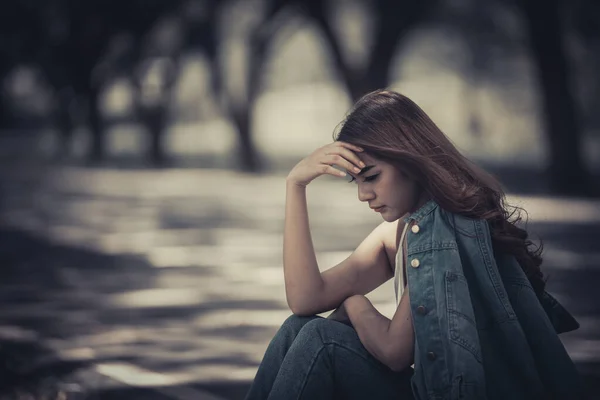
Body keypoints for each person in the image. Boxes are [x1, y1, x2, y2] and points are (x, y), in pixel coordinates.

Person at [244, 89, 584, 400]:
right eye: (357, 182)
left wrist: (355, 305)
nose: (364, 195)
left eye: (372, 177)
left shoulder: (442, 230)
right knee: (298, 328)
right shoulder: (407, 228)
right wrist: (296, 185)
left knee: (320, 339)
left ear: (409, 161)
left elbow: (394, 352)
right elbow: (305, 299)